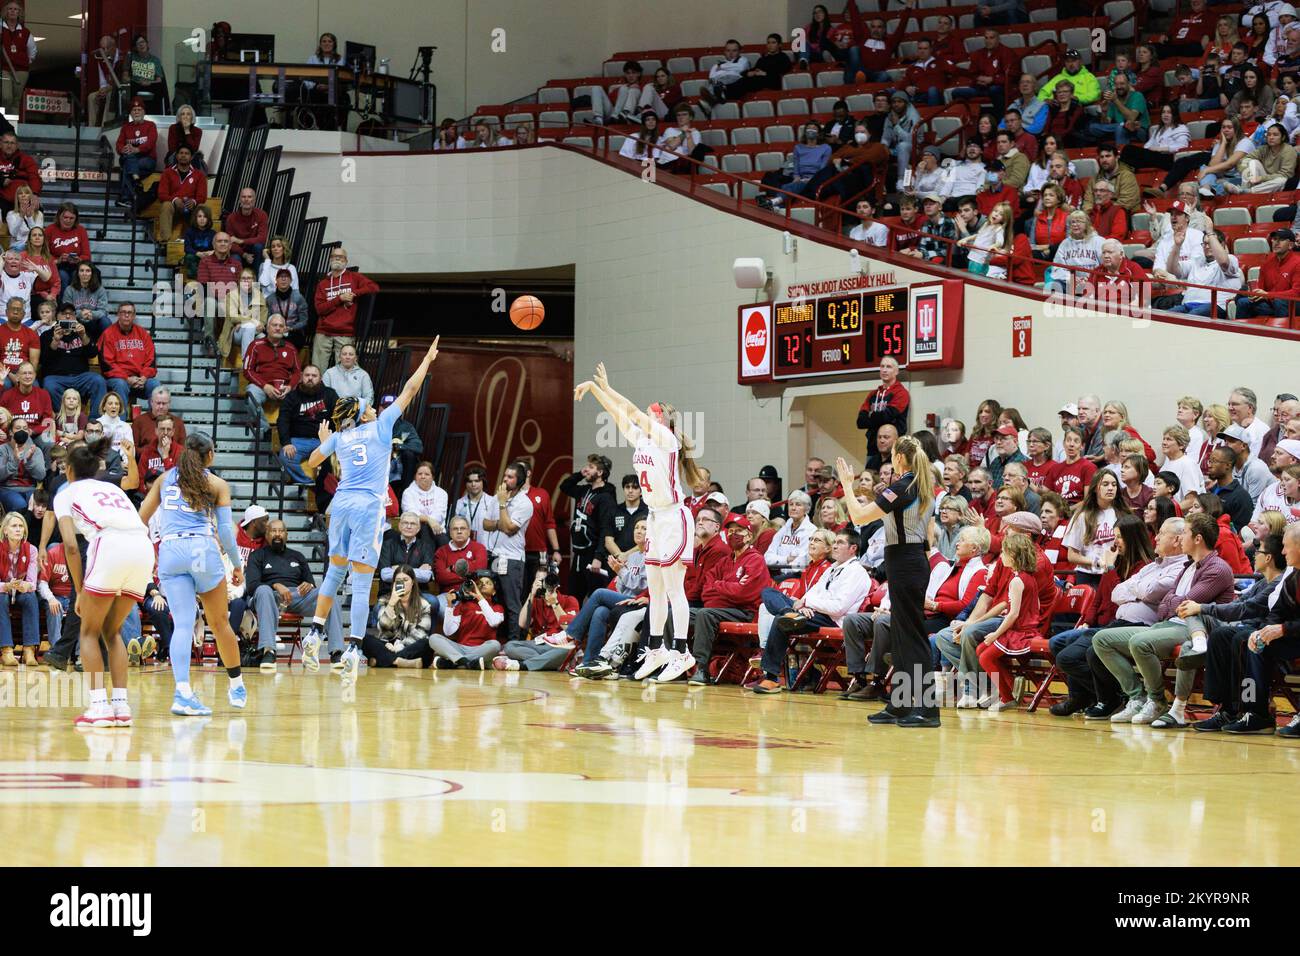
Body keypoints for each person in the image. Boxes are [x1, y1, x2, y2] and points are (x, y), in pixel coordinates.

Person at [300, 338, 440, 686]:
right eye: (369, 406)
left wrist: (323, 442)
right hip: (366, 508)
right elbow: (409, 390)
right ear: (362, 413)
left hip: (341, 505)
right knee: (362, 583)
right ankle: (353, 648)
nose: (376, 408)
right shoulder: (379, 427)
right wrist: (427, 361)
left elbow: (310, 466)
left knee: (334, 571)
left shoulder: (340, 439)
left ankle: (314, 633)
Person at [574, 362, 705, 684]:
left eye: (651, 412)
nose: (646, 415)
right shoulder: (644, 440)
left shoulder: (665, 438)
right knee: (657, 589)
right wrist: (596, 391)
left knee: (674, 589)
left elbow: (630, 411)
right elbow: (622, 416)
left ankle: (681, 652)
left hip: (674, 516)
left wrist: (605, 387)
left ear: (661, 418)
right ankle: (658, 648)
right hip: (656, 517)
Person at [134, 431, 246, 714]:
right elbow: (225, 533)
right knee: (220, 623)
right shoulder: (217, 483)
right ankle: (236, 685)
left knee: (183, 624)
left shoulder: (164, 478)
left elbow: (140, 520)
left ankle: (182, 693)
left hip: (171, 551)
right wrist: (236, 564)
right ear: (210, 455)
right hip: (201, 551)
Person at [835, 436, 939, 726]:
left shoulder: (903, 486)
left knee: (913, 636)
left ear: (899, 459)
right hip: (907, 560)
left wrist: (846, 483)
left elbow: (858, 516)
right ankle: (901, 704)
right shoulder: (918, 485)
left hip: (906, 561)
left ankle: (928, 709)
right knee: (901, 636)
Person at [55, 439, 155, 728]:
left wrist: (81, 589)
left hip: (109, 544)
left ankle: (98, 707)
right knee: (113, 632)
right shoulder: (111, 487)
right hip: (142, 546)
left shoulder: (65, 492)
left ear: (69, 470)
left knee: (88, 631)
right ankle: (121, 707)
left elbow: (72, 547)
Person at [245, 518, 344, 672]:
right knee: (263, 591)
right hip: (270, 596)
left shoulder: (297, 556)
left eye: (281, 531)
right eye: (273, 531)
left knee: (329, 594)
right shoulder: (257, 556)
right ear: (266, 535)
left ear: (286, 535)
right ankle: (268, 651)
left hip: (297, 597)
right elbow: (252, 586)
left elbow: (311, 583)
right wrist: (275, 585)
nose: (277, 534)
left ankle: (336, 652)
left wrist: (308, 585)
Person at [480, 460, 533, 640]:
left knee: (512, 603)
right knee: (497, 599)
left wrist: (503, 505)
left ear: (519, 481)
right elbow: (486, 524)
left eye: (510, 477)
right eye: (505, 476)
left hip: (512, 559)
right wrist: (500, 523)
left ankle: (514, 642)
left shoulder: (525, 503)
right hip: (495, 556)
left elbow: (510, 529)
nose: (505, 480)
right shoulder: (497, 497)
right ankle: (499, 641)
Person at [312, 247, 380, 372]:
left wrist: (354, 293)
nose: (337, 258)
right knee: (317, 371)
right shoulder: (322, 284)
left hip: (345, 332)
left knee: (346, 371)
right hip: (323, 332)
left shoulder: (353, 277)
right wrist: (340, 298)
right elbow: (319, 309)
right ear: (330, 259)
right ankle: (319, 392)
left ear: (346, 261)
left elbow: (374, 287)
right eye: (334, 256)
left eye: (341, 256)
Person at [361, 565, 436, 668]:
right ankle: (400, 662)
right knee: (364, 638)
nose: (402, 583)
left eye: (405, 580)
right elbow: (383, 629)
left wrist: (400, 646)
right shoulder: (385, 601)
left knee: (426, 643)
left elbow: (420, 634)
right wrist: (391, 604)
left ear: (413, 582)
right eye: (398, 581)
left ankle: (383, 661)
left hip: (410, 646)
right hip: (389, 645)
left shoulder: (424, 605)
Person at [277, 365, 336, 486]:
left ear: (320, 379)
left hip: (324, 440)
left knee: (339, 456)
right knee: (285, 456)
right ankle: (308, 483)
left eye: (314, 376)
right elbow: (283, 420)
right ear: (301, 377)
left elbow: (339, 416)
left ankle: (327, 485)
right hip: (299, 441)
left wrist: (336, 438)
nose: (310, 378)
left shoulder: (330, 394)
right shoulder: (291, 397)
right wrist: (286, 443)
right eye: (307, 375)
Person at [242, 314, 300, 431]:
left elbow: (297, 372)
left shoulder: (291, 348)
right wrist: (264, 386)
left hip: (285, 387)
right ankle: (265, 429)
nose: (278, 328)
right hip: (261, 386)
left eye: (281, 326)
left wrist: (289, 387)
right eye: (274, 325)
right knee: (251, 395)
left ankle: (293, 431)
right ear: (267, 328)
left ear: (284, 329)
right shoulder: (255, 345)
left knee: (303, 397)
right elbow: (247, 370)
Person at [98, 302, 158, 406]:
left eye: (129, 313)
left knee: (155, 385)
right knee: (120, 384)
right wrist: (126, 378)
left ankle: (155, 421)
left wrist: (144, 377)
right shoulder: (108, 334)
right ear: (118, 314)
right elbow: (107, 364)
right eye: (123, 312)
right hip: (118, 380)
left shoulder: (143, 334)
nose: (126, 315)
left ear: (134, 316)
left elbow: (151, 360)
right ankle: (120, 422)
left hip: (140, 379)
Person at [857, 356, 908, 468]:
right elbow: (860, 422)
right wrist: (878, 417)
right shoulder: (873, 394)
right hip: (872, 448)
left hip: (893, 450)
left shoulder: (901, 393)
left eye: (889, 367)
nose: (884, 370)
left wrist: (871, 416)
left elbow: (887, 415)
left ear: (896, 371)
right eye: (882, 366)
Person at [157, 145, 206, 241]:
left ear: (191, 157)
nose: (183, 156)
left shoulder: (199, 174)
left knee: (203, 208)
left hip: (190, 209)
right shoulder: (167, 172)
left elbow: (202, 197)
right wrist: (175, 200)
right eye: (181, 153)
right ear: (176, 156)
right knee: (166, 205)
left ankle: (198, 241)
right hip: (173, 209)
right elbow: (161, 195)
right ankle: (165, 242)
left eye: (186, 153)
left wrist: (194, 202)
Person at [115, 97, 157, 209]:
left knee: (126, 165)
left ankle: (125, 197)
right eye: (134, 110)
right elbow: (119, 144)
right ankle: (136, 179)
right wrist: (123, 149)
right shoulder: (126, 127)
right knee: (128, 158)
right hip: (131, 159)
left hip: (147, 159)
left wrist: (136, 149)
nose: (137, 112)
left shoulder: (151, 125)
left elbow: (150, 143)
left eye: (139, 109)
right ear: (131, 113)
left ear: (144, 112)